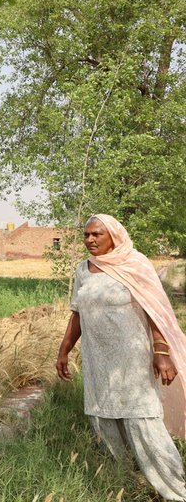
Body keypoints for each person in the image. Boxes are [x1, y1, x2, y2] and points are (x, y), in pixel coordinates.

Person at [56, 214, 186, 501]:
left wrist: (162, 352)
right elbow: (77, 312)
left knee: (142, 418)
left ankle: (175, 490)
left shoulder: (135, 263)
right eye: (86, 235)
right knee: (104, 417)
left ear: (113, 235)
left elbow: (156, 310)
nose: (90, 240)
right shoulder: (83, 270)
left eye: (97, 235)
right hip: (97, 359)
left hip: (133, 357)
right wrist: (64, 349)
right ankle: (125, 483)